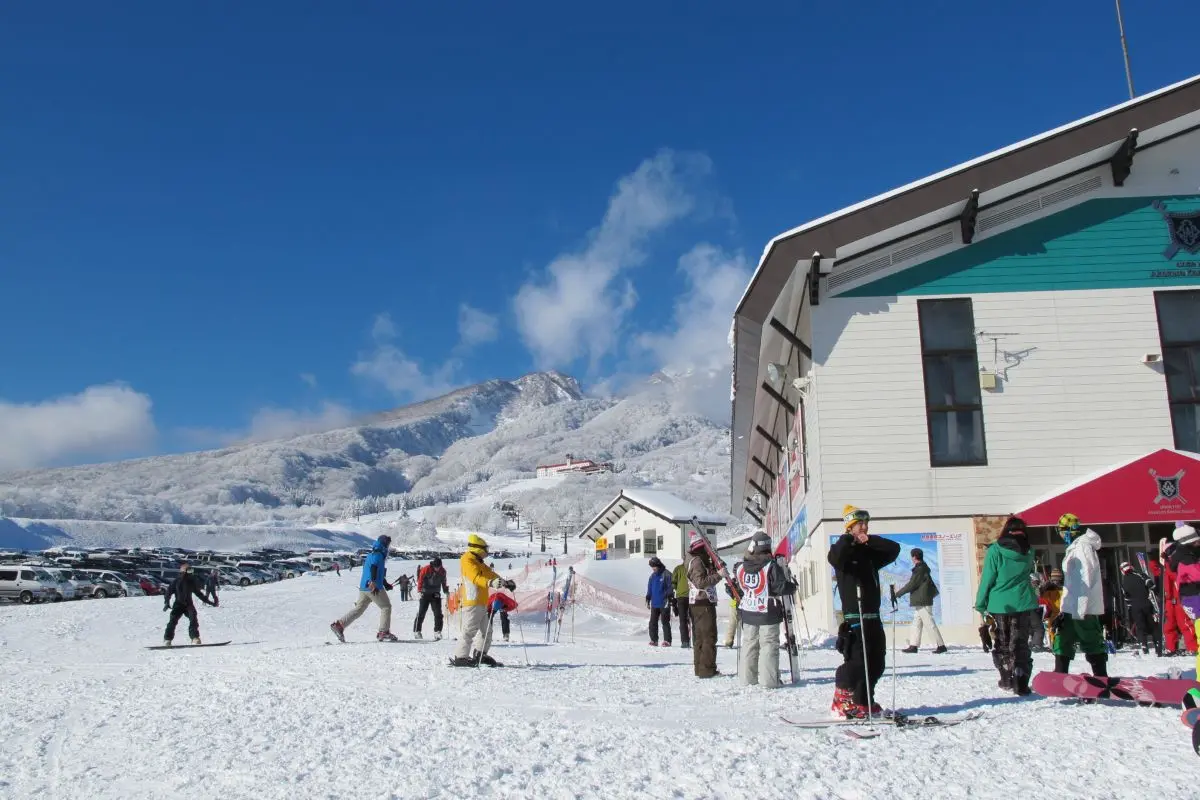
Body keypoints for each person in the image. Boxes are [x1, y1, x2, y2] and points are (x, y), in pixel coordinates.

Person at [828, 505, 900, 718]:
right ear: (850, 526)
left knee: (877, 662)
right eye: (860, 524)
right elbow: (836, 556)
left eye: (866, 523)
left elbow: (893, 549)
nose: (865, 527)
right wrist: (850, 538)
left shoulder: (869, 554)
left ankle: (863, 700)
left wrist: (868, 540)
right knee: (858, 662)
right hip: (854, 614)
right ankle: (842, 700)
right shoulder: (844, 553)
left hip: (872, 615)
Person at [974, 516, 1039, 695]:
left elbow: (988, 578)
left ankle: (1006, 678)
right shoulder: (1029, 550)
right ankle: (1021, 680)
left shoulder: (995, 550)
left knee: (1002, 642)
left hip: (999, 603)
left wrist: (980, 603)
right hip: (1023, 601)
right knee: (1020, 643)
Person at [734, 531, 796, 688]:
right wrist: (792, 586)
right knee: (768, 645)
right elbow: (779, 586)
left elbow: (736, 588)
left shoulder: (740, 567)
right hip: (767, 611)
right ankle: (769, 681)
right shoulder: (771, 566)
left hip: (748, 611)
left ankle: (747, 679)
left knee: (749, 645)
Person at [1050, 514, 1107, 676]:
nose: (1060, 534)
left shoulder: (1082, 546)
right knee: (1063, 639)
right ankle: (1060, 674)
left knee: (1091, 639)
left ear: (1069, 530)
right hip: (1070, 606)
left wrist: (1080, 607)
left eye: (1061, 530)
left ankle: (1101, 675)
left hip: (1082, 605)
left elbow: (1085, 575)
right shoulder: (1075, 546)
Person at [451, 534, 516, 667]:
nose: (487, 551)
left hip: (481, 601)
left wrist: (505, 583)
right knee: (469, 630)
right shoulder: (467, 560)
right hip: (472, 600)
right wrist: (490, 583)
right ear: (478, 549)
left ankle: (480, 654)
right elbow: (475, 577)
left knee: (486, 631)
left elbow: (490, 574)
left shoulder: (478, 561)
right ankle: (461, 657)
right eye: (485, 548)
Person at [330, 535, 398, 643]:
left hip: (364, 587)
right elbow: (374, 568)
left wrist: (385, 584)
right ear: (385, 544)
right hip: (373, 587)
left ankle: (339, 625)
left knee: (359, 609)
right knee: (386, 607)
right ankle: (383, 632)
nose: (389, 546)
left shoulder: (372, 554)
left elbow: (378, 572)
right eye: (388, 543)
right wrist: (373, 582)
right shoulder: (379, 554)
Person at [892, 547, 946, 654]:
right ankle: (914, 645)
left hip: (923, 601)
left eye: (912, 556)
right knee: (916, 623)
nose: (911, 558)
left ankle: (941, 645)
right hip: (921, 600)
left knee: (929, 623)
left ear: (914, 557)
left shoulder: (920, 569)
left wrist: (898, 594)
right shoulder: (922, 567)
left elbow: (912, 584)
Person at [686, 531, 723, 678]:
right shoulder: (696, 561)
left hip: (699, 602)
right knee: (708, 636)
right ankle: (707, 669)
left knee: (700, 637)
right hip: (703, 601)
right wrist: (718, 576)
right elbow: (700, 582)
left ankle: (701, 668)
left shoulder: (696, 560)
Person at [1167, 524, 1200, 677]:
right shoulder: (1186, 559)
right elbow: (1197, 575)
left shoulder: (1185, 555)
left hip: (1191, 598)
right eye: (1197, 541)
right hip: (1195, 599)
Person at [162, 561, 218, 646]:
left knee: (193, 619)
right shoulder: (176, 582)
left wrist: (210, 603)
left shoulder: (191, 582)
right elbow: (168, 592)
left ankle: (195, 638)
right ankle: (167, 639)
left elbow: (199, 594)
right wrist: (166, 602)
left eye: (191, 571)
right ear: (183, 572)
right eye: (189, 571)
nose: (191, 573)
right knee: (172, 621)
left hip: (188, 605)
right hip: (178, 604)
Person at [1162, 534, 1199, 656]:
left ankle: (1192, 647)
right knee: (1169, 625)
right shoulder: (1168, 564)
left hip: (1180, 598)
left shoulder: (1178, 562)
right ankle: (1171, 647)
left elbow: (1176, 577)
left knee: (1185, 624)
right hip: (1170, 599)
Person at [1120, 560, 1162, 656]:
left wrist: (1130, 608)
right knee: (1153, 625)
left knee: (1140, 627)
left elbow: (1126, 597)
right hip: (1147, 603)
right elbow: (1152, 586)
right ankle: (1157, 644)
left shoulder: (1123, 581)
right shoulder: (1140, 575)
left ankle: (1144, 645)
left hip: (1135, 607)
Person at [413, 557, 449, 640]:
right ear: (433, 565)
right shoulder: (426, 569)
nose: (437, 568)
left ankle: (438, 631)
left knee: (438, 613)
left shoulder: (442, 571)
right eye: (436, 566)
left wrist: (445, 590)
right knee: (422, 612)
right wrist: (419, 591)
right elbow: (421, 579)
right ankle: (417, 631)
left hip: (435, 593)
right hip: (424, 593)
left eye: (438, 567)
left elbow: (444, 582)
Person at [645, 557, 673, 647]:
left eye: (654, 566)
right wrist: (648, 597)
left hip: (664, 602)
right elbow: (650, 588)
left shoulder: (667, 574)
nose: (653, 568)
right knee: (652, 622)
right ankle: (654, 640)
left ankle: (667, 640)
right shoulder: (652, 576)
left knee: (665, 621)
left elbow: (671, 586)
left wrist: (670, 596)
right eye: (652, 567)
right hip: (655, 603)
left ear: (658, 565)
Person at [671, 561, 691, 648]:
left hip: (681, 596)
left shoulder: (678, 568)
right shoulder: (693, 567)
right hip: (692, 596)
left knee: (682, 620)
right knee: (693, 619)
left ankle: (685, 641)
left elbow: (673, 582)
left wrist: (677, 588)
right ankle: (695, 640)